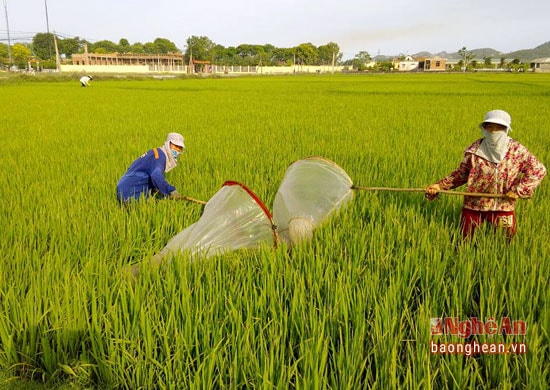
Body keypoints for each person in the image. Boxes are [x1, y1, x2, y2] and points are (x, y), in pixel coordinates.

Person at [425, 109, 546, 240]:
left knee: (506, 242)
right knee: (464, 240)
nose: (493, 131)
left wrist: (518, 190)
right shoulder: (475, 150)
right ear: (483, 128)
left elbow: (538, 170)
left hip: (503, 205)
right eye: (489, 127)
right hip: (474, 204)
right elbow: (460, 174)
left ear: (506, 129)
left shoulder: (517, 150)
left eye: (499, 127)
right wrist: (439, 186)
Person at [117, 132, 187, 203]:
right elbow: (156, 175)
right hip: (131, 190)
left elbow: (144, 172)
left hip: (126, 186)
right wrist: (170, 190)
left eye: (180, 148)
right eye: (175, 146)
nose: (178, 150)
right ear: (168, 144)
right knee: (141, 211)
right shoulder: (159, 156)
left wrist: (156, 189)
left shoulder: (156, 152)